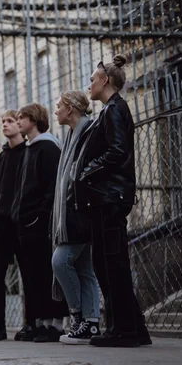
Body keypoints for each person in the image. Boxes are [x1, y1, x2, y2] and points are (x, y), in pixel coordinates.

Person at [76, 55, 151, 348]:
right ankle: (135, 328)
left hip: (110, 197)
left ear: (105, 81)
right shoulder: (110, 110)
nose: (89, 85)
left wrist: (86, 171)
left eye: (93, 79)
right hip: (106, 197)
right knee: (109, 263)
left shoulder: (114, 110)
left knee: (112, 265)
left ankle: (123, 331)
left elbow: (118, 151)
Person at [10, 103, 68, 343]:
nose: (18, 120)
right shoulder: (30, 148)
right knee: (32, 274)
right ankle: (41, 322)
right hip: (25, 222)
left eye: (21, 117)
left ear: (33, 119)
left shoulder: (48, 146)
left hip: (40, 222)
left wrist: (39, 214)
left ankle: (55, 324)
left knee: (47, 271)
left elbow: (51, 186)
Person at [50, 91, 101, 345]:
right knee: (84, 268)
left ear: (70, 109)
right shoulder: (70, 135)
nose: (56, 110)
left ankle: (79, 317)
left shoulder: (89, 131)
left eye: (59, 106)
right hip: (71, 212)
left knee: (60, 261)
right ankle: (91, 324)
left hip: (81, 210)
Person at [0, 110, 26, 341]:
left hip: (20, 220)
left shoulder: (27, 153)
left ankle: (31, 323)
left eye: (10, 121)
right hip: (0, 220)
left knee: (28, 273)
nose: (5, 125)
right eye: (3, 122)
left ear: (20, 125)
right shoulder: (1, 157)